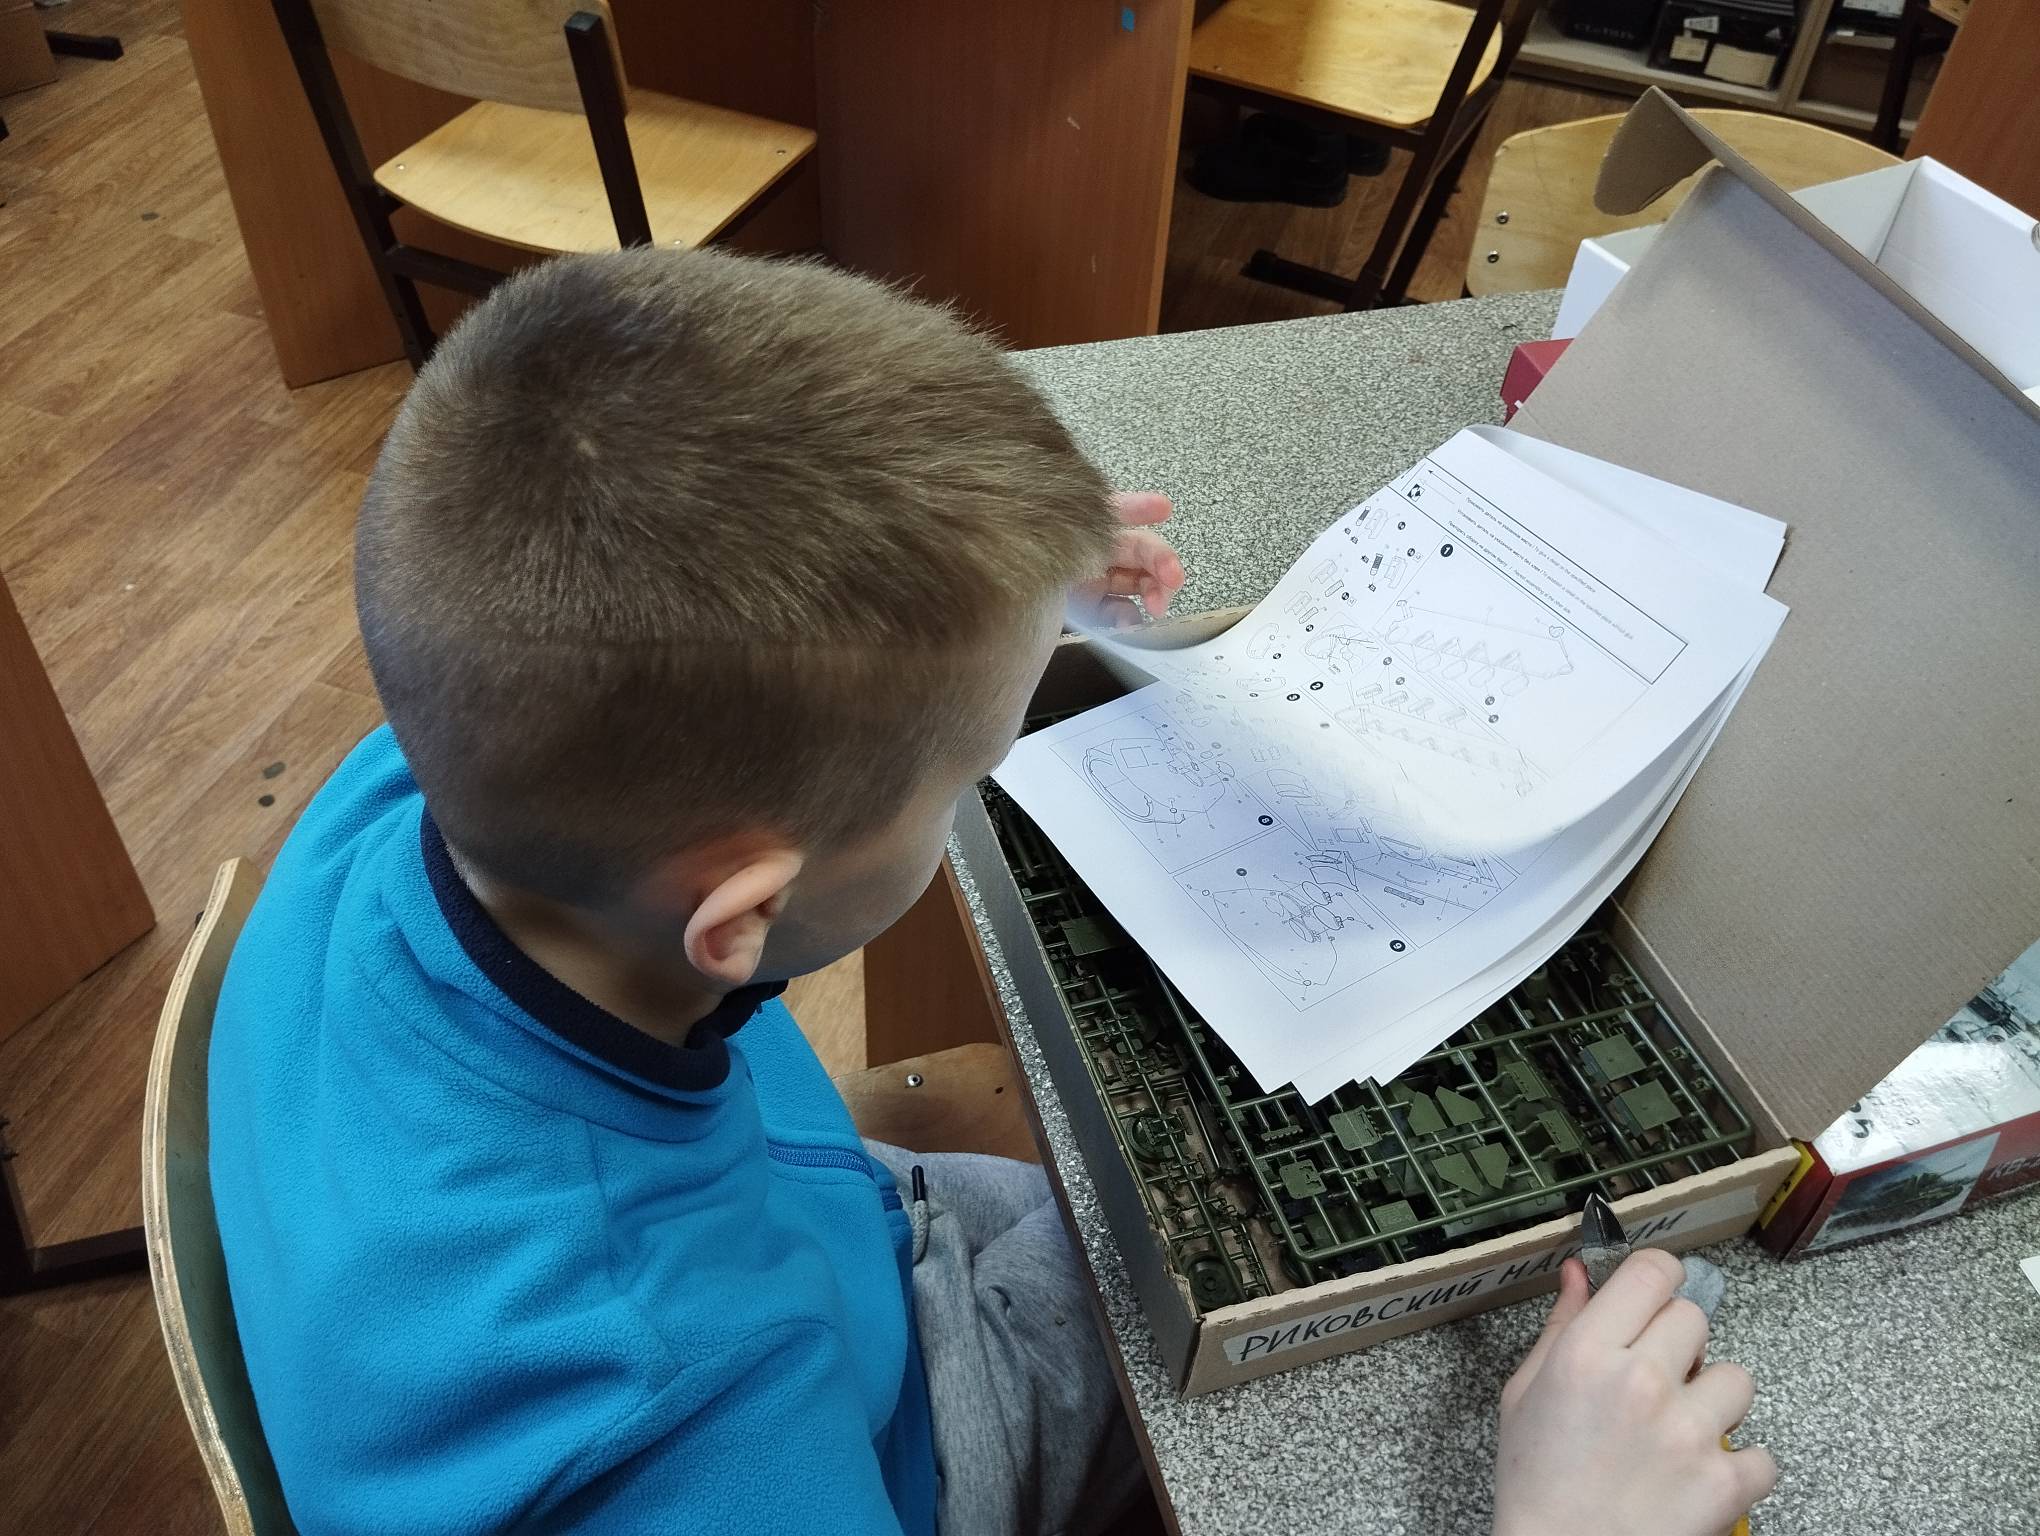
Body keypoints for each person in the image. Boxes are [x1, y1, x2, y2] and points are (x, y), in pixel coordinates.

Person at [207, 246, 1773, 1536]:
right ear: (738, 921)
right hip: (865, 1428)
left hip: (794, 1231)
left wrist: (993, 601)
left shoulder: (445, 765)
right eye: (973, 765)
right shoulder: (689, 1432)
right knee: (1316, 1400)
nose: (989, 767)